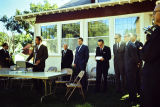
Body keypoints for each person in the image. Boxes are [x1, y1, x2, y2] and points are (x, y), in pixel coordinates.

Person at [141, 3, 160, 107]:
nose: (153, 15)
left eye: (154, 12)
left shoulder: (158, 33)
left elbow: (146, 55)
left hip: (154, 84)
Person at [124, 34, 139, 103]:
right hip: (128, 67)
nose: (124, 37)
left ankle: (134, 99)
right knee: (129, 84)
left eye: (125, 36)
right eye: (124, 36)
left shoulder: (131, 45)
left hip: (131, 68)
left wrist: (129, 64)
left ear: (129, 37)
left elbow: (135, 58)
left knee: (132, 84)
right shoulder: (128, 44)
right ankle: (131, 97)